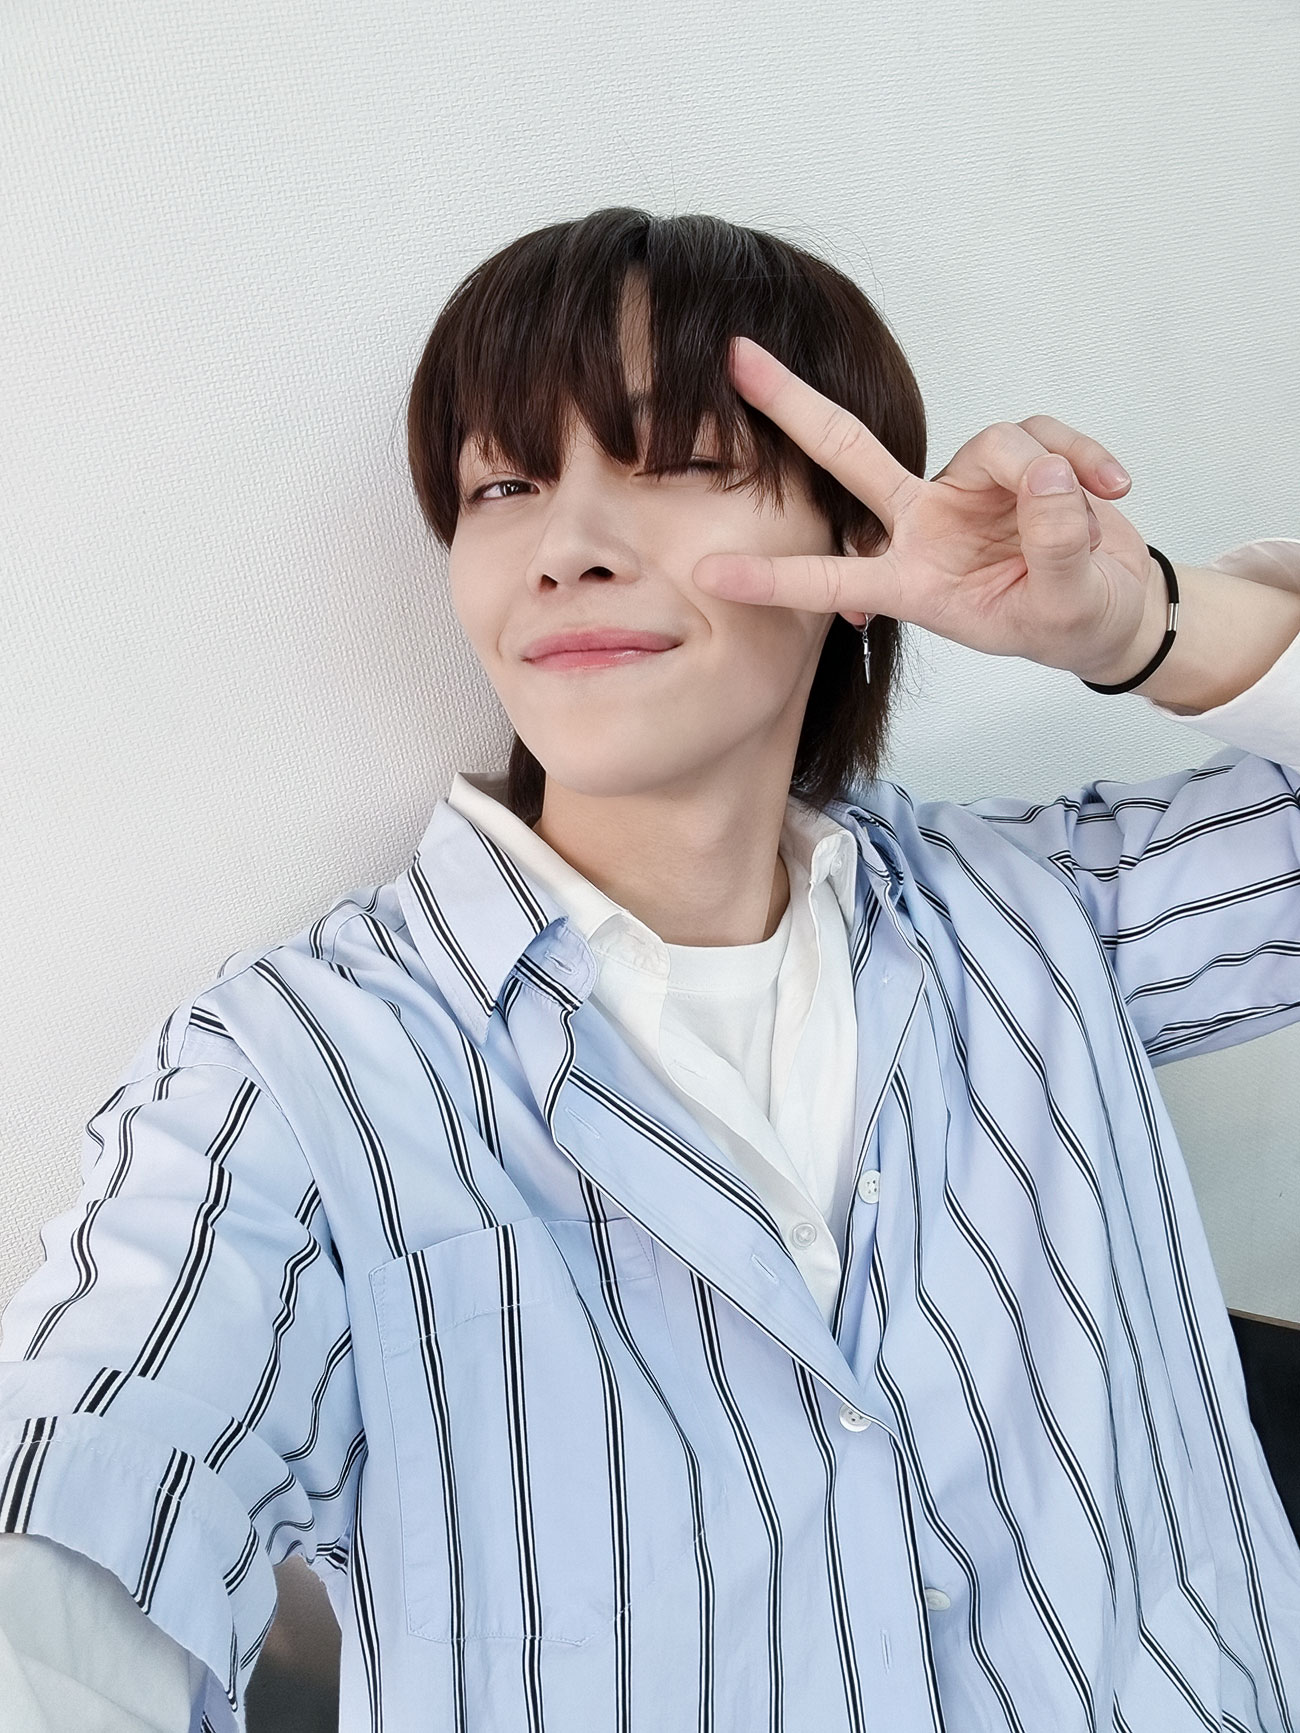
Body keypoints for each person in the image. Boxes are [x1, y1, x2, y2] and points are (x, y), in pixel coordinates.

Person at [2, 206, 1299, 1733]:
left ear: (858, 546)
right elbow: (86, 1509)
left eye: (678, 461)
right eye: (504, 484)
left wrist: (1141, 623)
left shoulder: (1043, 917)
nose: (567, 549)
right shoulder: (295, 1075)